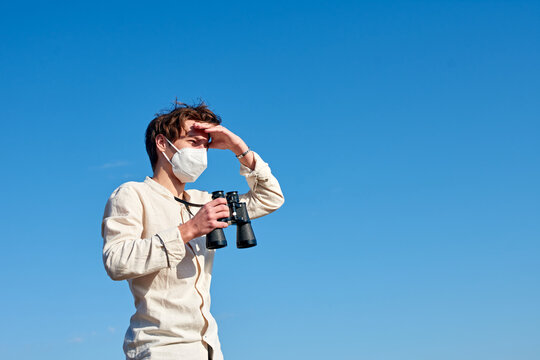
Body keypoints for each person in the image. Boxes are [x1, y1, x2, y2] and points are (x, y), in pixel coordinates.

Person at [101, 101, 284, 360]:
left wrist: (238, 148)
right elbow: (116, 261)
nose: (202, 152)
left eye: (205, 144)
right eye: (193, 143)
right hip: (161, 349)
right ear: (163, 144)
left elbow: (270, 198)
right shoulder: (132, 194)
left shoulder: (202, 200)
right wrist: (188, 230)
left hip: (209, 350)